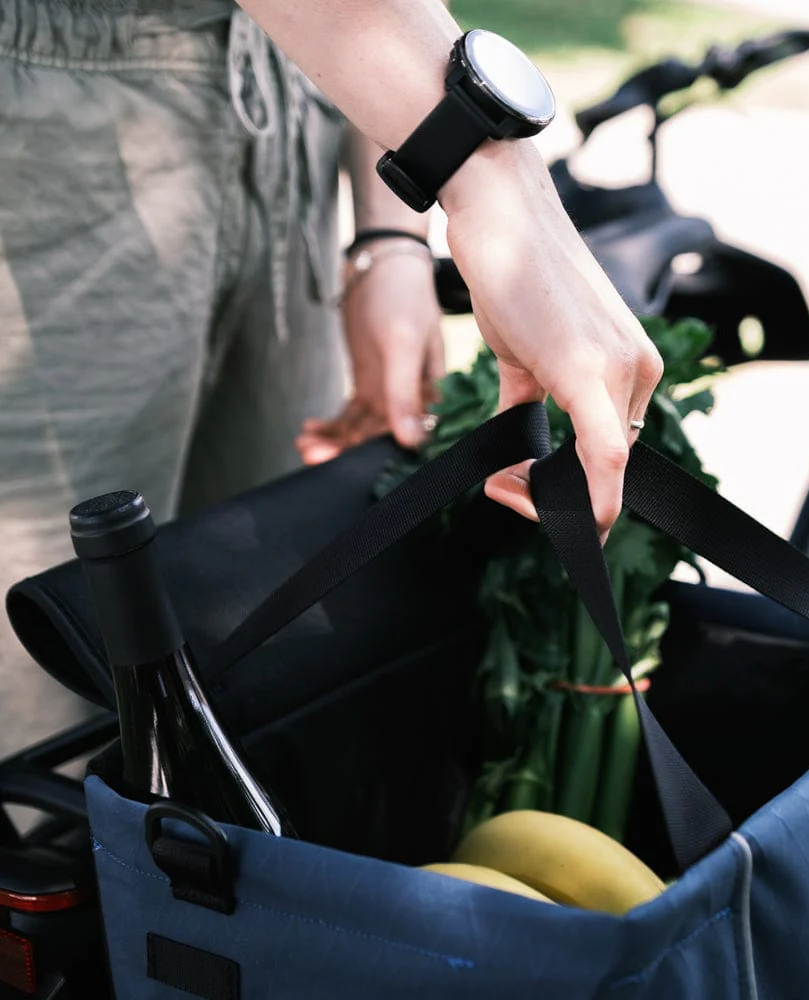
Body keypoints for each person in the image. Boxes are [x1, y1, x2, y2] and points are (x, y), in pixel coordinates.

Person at [0, 0, 660, 755]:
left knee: (260, 677)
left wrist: (392, 236)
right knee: (53, 718)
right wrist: (488, 179)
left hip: (299, 82)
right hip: (50, 132)